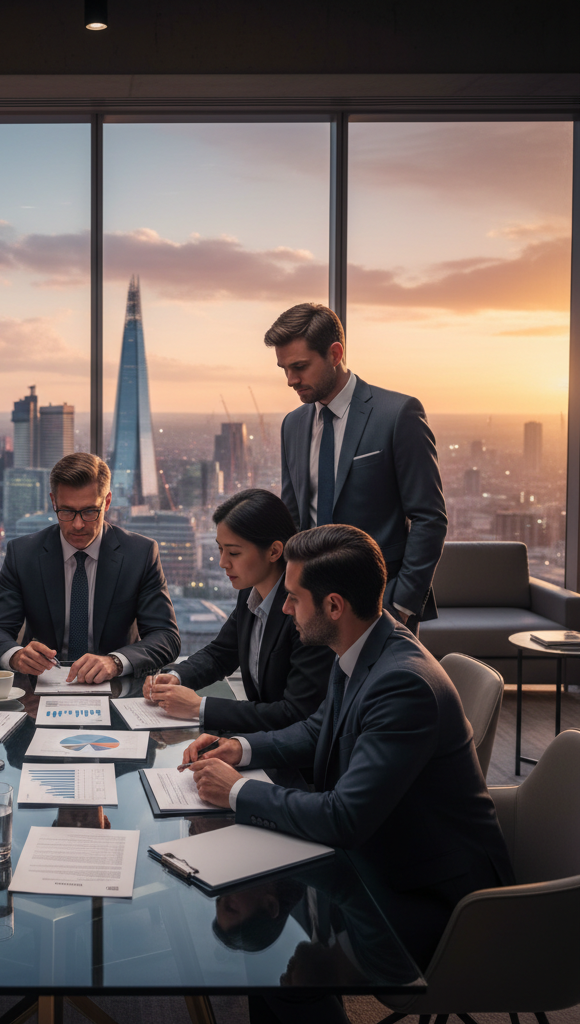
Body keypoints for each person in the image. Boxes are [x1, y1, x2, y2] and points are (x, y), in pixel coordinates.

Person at [182, 524, 514, 974]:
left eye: (295, 597)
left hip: (435, 903)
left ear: (334, 606)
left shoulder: (403, 685)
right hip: (387, 852)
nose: (285, 607)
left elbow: (344, 818)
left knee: (280, 974)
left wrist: (237, 792)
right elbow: (319, 729)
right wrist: (238, 749)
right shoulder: (364, 643)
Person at [265, 302, 446, 630]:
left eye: (300, 366)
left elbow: (429, 518)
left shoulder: (397, 414)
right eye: (284, 368)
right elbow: (292, 519)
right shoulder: (292, 425)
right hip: (310, 607)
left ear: (334, 354)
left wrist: (401, 605)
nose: (291, 380)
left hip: (381, 608)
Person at [0, 452, 180, 684]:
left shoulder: (140, 554)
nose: (78, 524)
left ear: (108, 501)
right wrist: (16, 656)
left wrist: (115, 662)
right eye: (66, 511)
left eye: (90, 511)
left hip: (116, 686)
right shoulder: (23, 554)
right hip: (43, 686)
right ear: (53, 502)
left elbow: (166, 637)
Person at [142, 488, 332, 733]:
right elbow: (221, 653)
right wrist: (176, 676)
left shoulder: (304, 610)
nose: (223, 562)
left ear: (274, 551)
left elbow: (295, 713)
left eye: (233, 552)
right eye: (220, 549)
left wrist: (199, 707)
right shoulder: (251, 591)